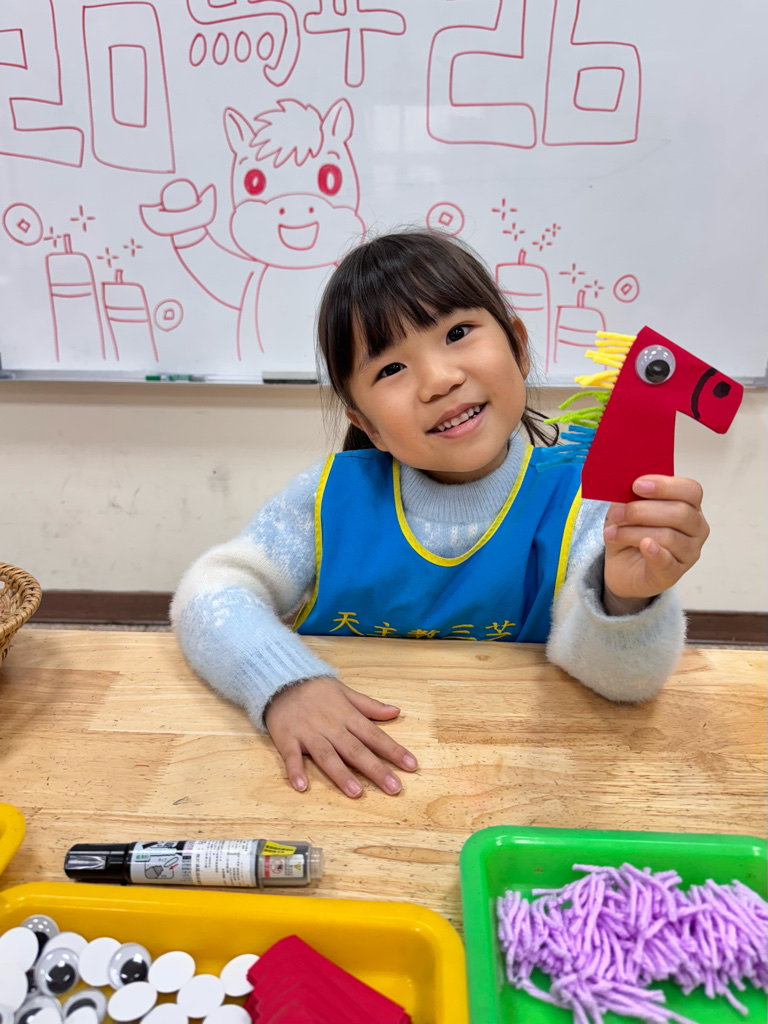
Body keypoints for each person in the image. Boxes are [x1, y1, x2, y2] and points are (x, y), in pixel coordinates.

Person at [171, 230, 709, 799]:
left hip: (524, 783)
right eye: (390, 369)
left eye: (456, 333)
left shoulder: (586, 500)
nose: (439, 381)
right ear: (368, 425)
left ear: (518, 346)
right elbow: (209, 592)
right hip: (338, 789)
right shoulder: (327, 500)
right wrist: (287, 685)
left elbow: (621, 685)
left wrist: (625, 599)